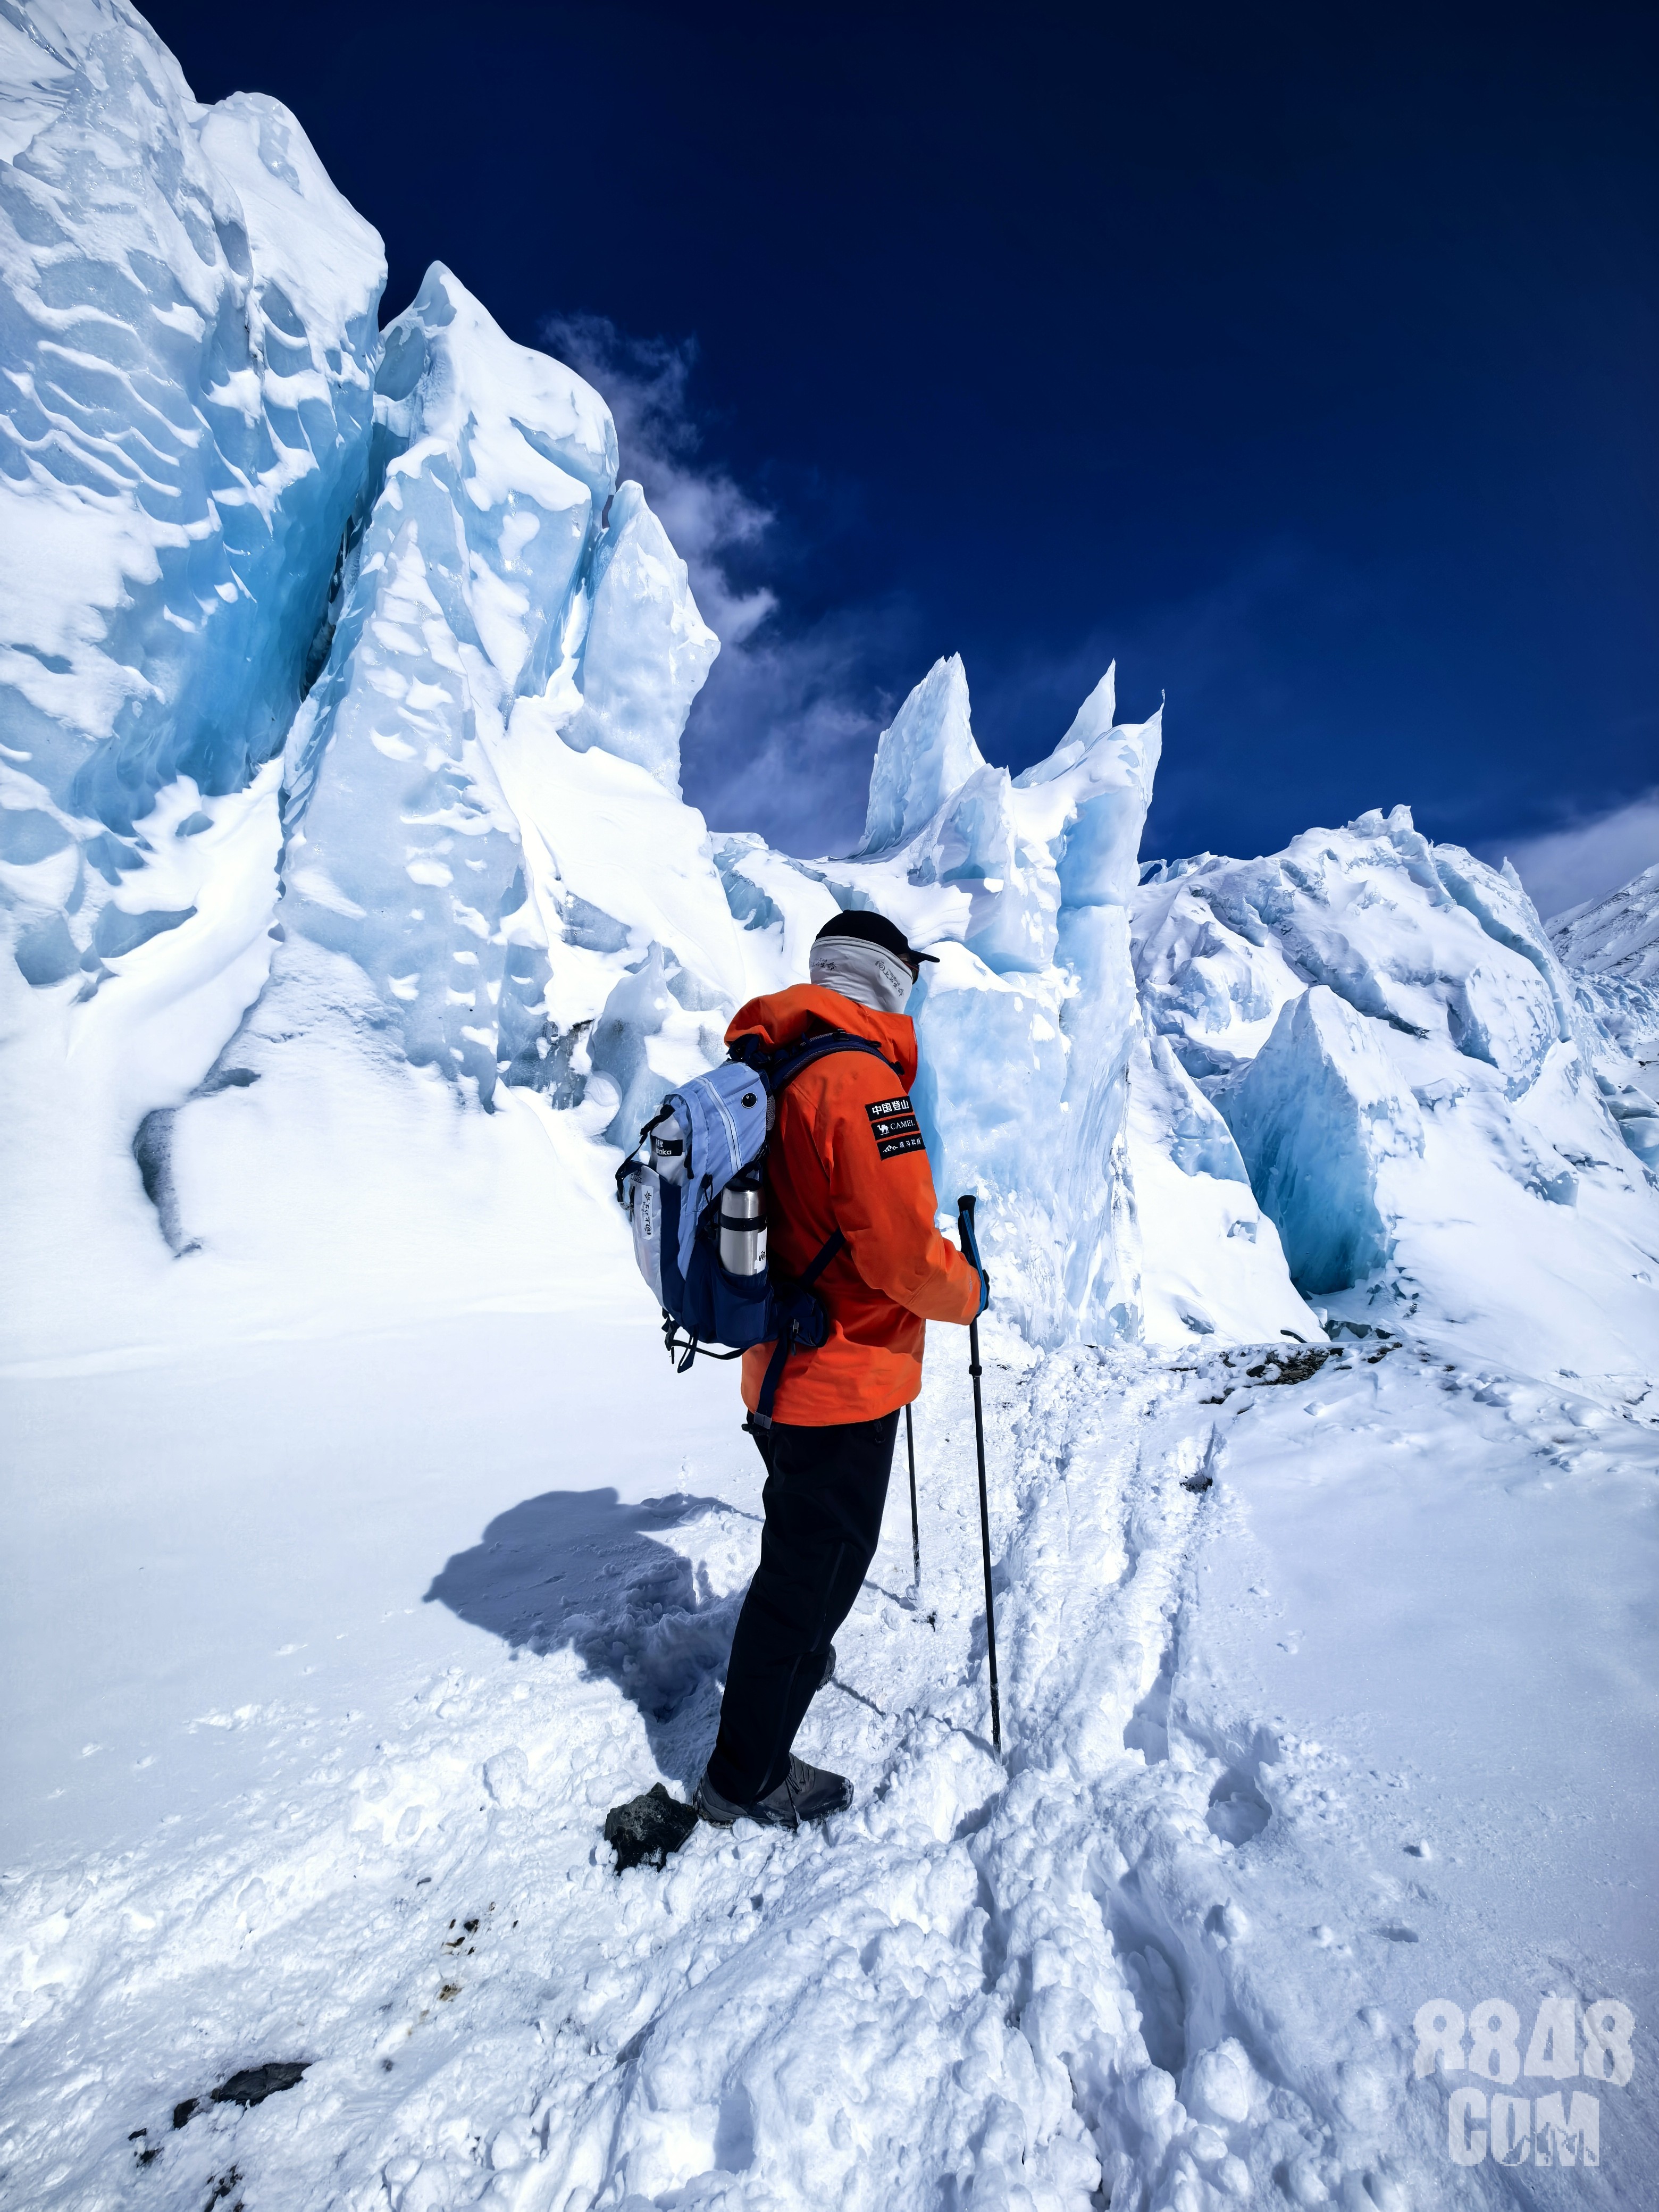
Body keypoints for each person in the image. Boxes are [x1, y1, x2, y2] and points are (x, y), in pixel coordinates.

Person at [694, 908, 987, 1831]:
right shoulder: (861, 1083)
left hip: (780, 1367)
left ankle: (787, 1665)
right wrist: (969, 1291)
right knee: (810, 1575)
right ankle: (745, 1777)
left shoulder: (771, 1069)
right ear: (890, 979)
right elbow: (901, 1258)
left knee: (805, 1560)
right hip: (843, 1382)